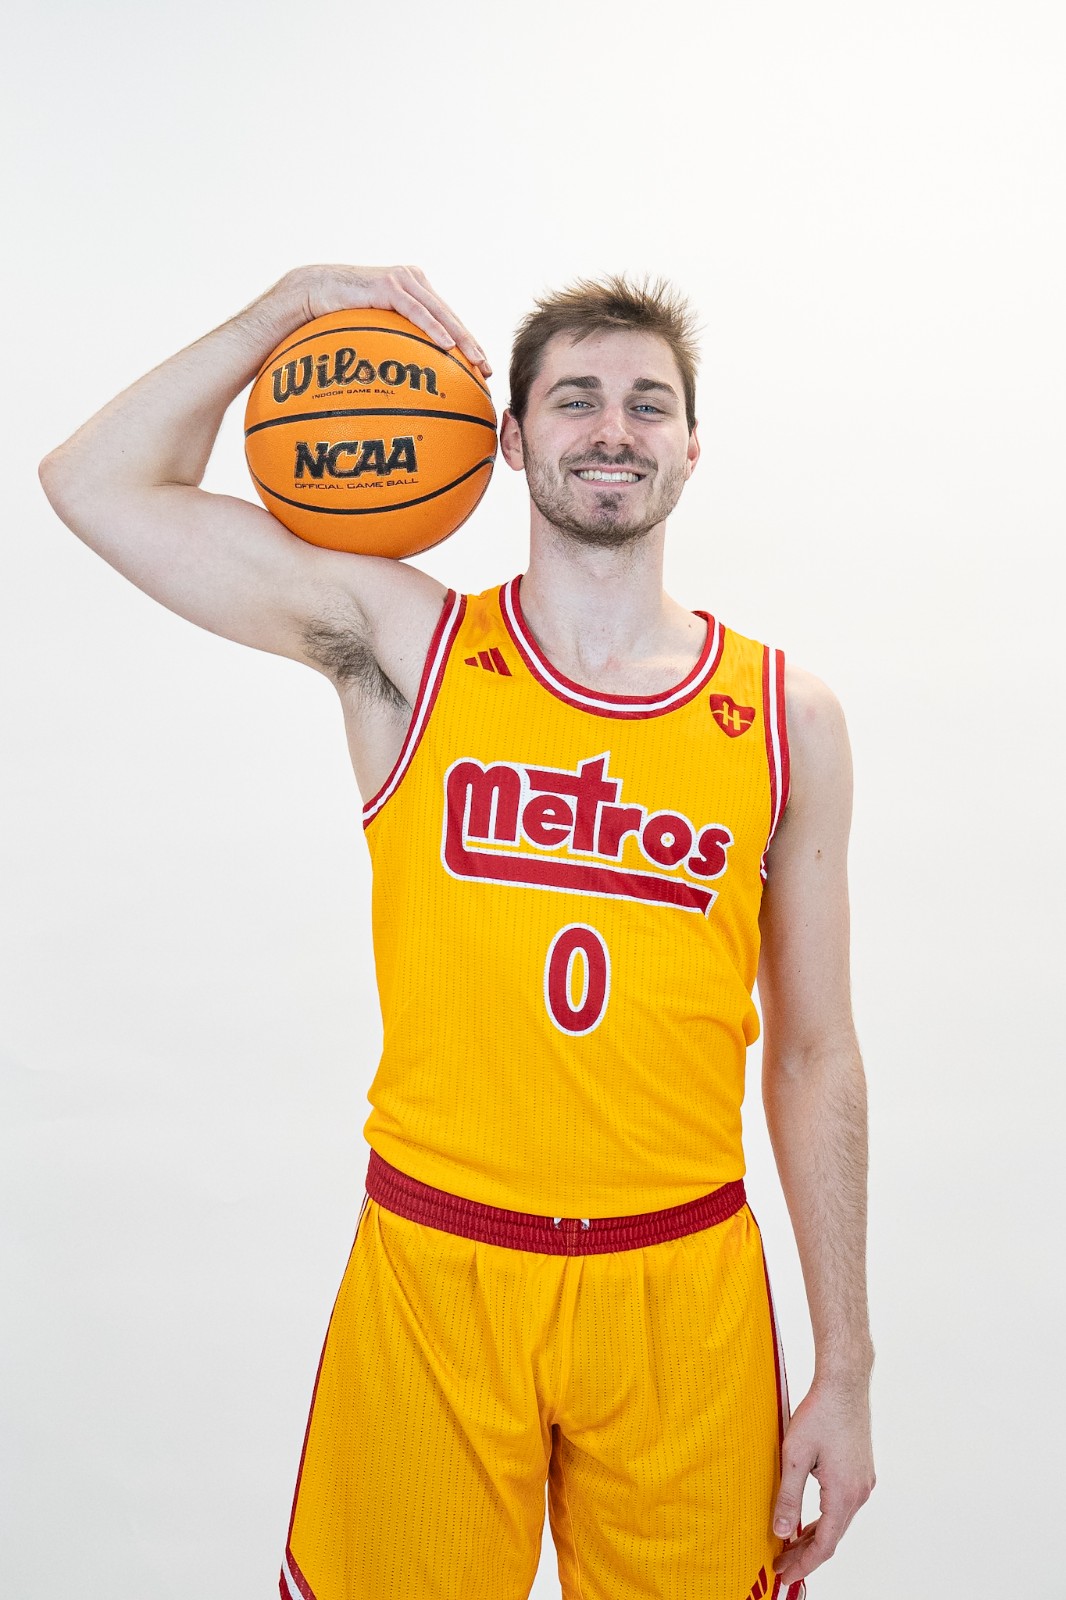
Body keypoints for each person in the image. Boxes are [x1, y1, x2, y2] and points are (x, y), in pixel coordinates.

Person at [39, 264, 875, 1600]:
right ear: (510, 439)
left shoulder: (786, 717)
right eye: (575, 399)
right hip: (438, 1268)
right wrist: (285, 310)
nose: (613, 429)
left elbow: (816, 1054)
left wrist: (846, 1366)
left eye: (648, 404)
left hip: (681, 1289)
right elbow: (96, 483)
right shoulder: (407, 648)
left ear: (691, 445)